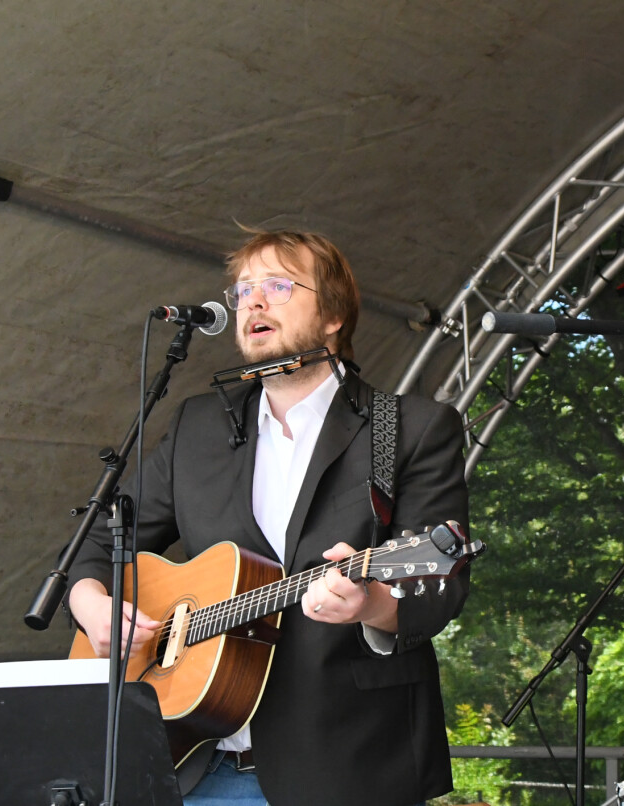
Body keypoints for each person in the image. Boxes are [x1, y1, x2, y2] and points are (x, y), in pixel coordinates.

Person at [66, 229, 470, 805]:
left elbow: (441, 586)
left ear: (332, 313)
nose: (253, 301)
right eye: (243, 290)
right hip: (194, 763)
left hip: (347, 766)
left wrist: (372, 604)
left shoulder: (406, 429)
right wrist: (92, 605)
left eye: (278, 285)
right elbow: (97, 544)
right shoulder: (195, 428)